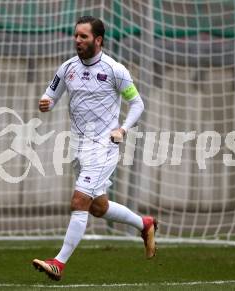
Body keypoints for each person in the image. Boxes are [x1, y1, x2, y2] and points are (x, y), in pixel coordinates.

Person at [32, 16, 157, 281]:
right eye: (76, 35)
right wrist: (45, 102)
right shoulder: (67, 68)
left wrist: (122, 129)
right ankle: (144, 224)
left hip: (104, 146)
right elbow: (50, 95)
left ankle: (59, 262)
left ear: (98, 40)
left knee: (79, 201)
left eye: (83, 36)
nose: (77, 40)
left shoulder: (115, 70)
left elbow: (138, 104)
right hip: (78, 146)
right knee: (97, 207)